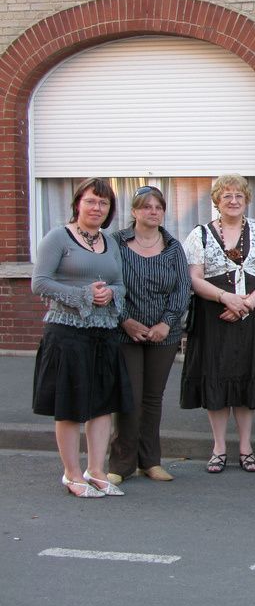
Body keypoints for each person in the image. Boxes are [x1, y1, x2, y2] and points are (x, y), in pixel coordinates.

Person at [181, 174, 255, 474]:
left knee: (245, 379)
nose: (233, 200)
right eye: (226, 195)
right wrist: (226, 298)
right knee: (215, 378)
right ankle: (218, 448)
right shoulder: (200, 234)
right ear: (216, 200)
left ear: (246, 200)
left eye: (239, 195)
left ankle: (245, 447)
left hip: (252, 316)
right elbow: (194, 278)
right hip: (213, 317)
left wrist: (246, 305)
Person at [32, 178, 131, 498]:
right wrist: (83, 295)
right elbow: (40, 283)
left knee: (103, 405)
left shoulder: (110, 242)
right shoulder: (57, 237)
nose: (97, 208)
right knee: (71, 405)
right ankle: (72, 474)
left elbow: (120, 284)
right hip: (68, 333)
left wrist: (110, 294)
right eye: (91, 201)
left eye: (103, 204)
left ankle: (97, 470)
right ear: (78, 203)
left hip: (104, 333)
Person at [108, 185, 190, 485]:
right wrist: (126, 321)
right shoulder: (115, 243)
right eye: (146, 207)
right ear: (134, 211)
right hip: (125, 332)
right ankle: (120, 463)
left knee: (153, 399)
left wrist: (167, 323)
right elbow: (109, 284)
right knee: (130, 398)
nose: (152, 211)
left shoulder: (172, 247)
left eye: (158, 207)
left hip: (163, 336)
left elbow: (183, 288)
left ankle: (150, 462)